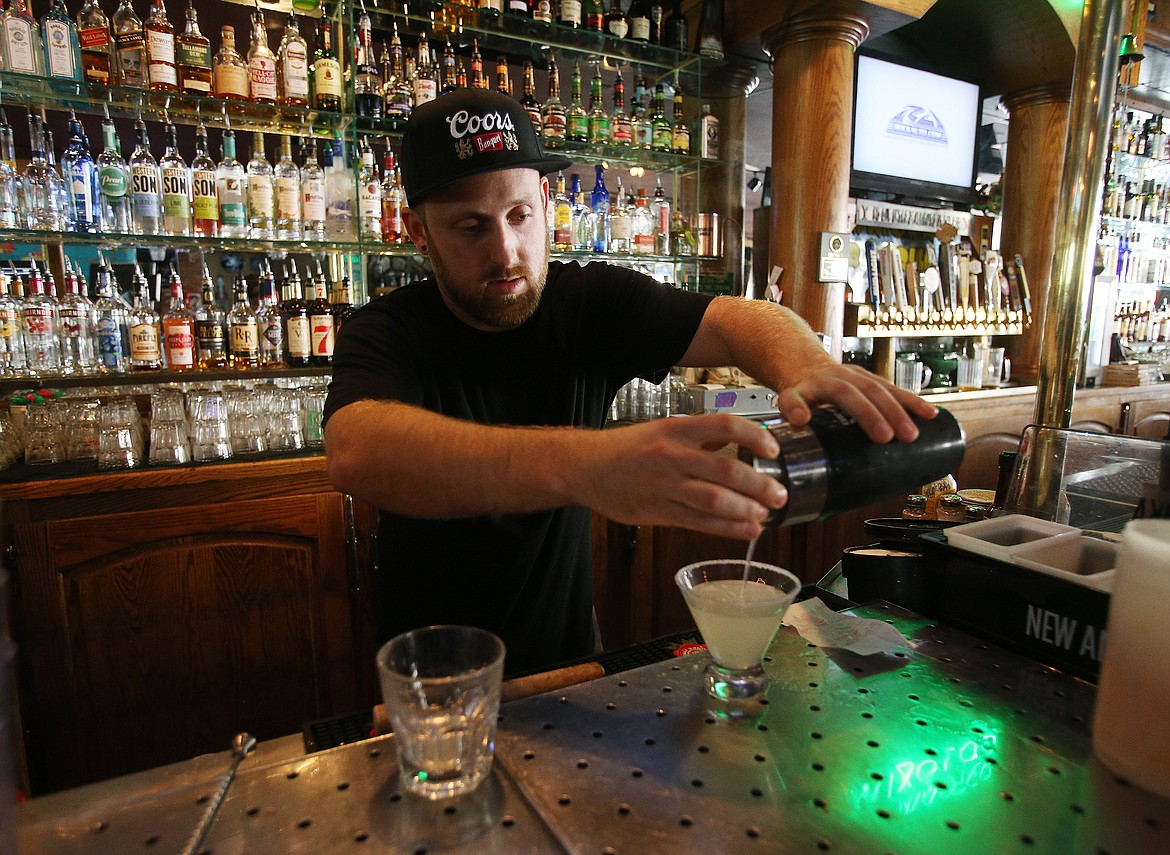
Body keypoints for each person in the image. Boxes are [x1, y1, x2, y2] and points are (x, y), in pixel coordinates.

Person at [324, 88, 936, 674]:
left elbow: (737, 319)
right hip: (434, 673)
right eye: (470, 227)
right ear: (416, 230)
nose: (506, 252)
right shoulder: (385, 330)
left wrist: (814, 369)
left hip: (569, 659)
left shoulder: (587, 304)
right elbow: (357, 451)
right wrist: (589, 465)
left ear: (544, 197)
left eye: (519, 216)